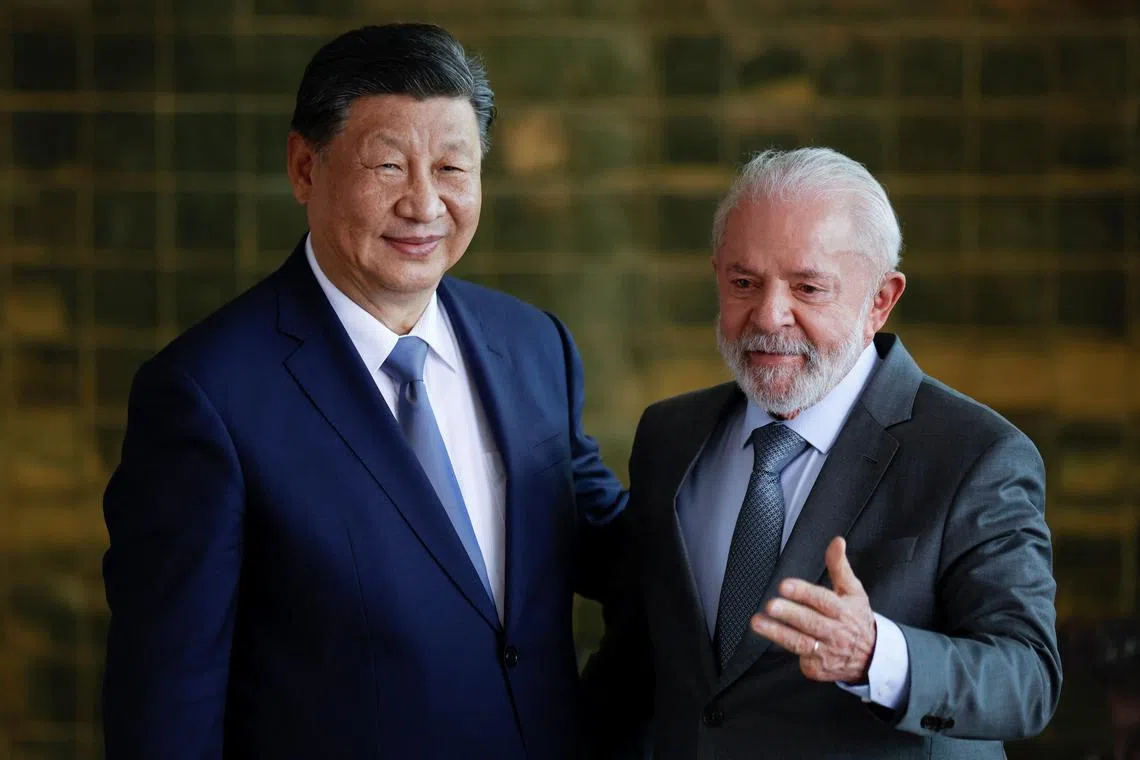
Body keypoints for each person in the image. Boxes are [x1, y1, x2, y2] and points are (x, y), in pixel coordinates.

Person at [101, 23, 626, 760]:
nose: (424, 204)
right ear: (304, 168)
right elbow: (167, 707)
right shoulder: (204, 397)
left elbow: (607, 543)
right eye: (387, 166)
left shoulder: (533, 345)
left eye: (452, 168)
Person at [584, 147, 1062, 759]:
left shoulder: (977, 454)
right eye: (743, 283)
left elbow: (1028, 681)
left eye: (808, 287)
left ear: (881, 301)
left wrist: (874, 655)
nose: (769, 314)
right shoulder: (669, 438)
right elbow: (638, 661)